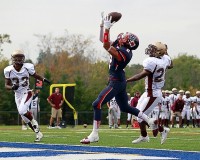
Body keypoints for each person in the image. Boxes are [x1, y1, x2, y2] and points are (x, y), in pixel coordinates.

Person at [80, 13, 156, 144]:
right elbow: (102, 40)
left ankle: (94, 134)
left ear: (127, 42)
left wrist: (108, 29)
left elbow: (105, 46)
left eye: (125, 37)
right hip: (119, 80)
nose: (122, 36)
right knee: (125, 107)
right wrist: (102, 25)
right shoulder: (122, 47)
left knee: (96, 104)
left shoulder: (124, 53)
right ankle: (149, 120)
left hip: (116, 82)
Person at [126, 42, 173, 144]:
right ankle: (144, 136)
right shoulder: (165, 59)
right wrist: (166, 51)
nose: (151, 50)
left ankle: (162, 130)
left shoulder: (152, 62)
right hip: (148, 92)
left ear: (159, 52)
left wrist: (126, 80)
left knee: (140, 115)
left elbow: (140, 76)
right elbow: (171, 65)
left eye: (154, 49)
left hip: (153, 94)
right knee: (137, 113)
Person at [4, 49, 50, 142]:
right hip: (17, 95)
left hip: (27, 92)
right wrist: (12, 87)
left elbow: (36, 76)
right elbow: (6, 85)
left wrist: (44, 79)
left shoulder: (27, 67)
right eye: (17, 57)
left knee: (22, 110)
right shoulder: (8, 70)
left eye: (21, 57)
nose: (19, 59)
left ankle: (33, 121)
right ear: (13, 59)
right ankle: (38, 134)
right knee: (24, 118)